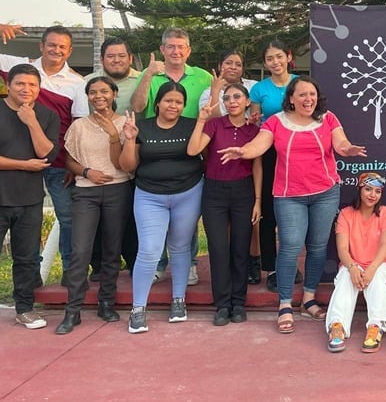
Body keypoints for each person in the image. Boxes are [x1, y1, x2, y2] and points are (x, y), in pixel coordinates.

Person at [218, 75, 366, 334]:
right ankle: (285, 304)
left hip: (325, 192)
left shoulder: (328, 118)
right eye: (302, 95)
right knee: (290, 247)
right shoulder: (276, 122)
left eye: (312, 94)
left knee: (318, 247)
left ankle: (308, 299)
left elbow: (340, 143)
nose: (308, 99)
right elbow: (258, 145)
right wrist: (243, 151)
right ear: (291, 99)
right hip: (289, 196)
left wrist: (347, 148)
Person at [0, 23, 87, 271]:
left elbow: (77, 127)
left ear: (69, 51)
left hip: (56, 162)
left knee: (69, 219)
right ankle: (30, 278)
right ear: (41, 46)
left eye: (62, 47)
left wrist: (74, 163)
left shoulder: (78, 83)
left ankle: (71, 275)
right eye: (51, 44)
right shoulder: (16, 66)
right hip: (14, 164)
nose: (56, 50)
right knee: (24, 225)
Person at [0, 64, 59, 343]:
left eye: (32, 85)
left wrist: (30, 121)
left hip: (29, 202)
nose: (26, 89)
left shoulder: (46, 116)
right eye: (20, 84)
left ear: (39, 89)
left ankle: (25, 309)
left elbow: (45, 153)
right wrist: (21, 165)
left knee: (26, 260)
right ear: (9, 85)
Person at [119, 81, 204, 333]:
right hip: (149, 195)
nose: (173, 106)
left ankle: (178, 300)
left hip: (188, 193)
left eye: (179, 102)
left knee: (180, 247)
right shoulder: (141, 127)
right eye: (168, 100)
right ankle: (138, 308)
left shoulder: (191, 125)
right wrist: (129, 140)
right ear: (158, 103)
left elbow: (204, 156)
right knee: (149, 250)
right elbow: (127, 165)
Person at [130, 27, 213, 285]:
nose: (176, 51)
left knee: (184, 219)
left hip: (190, 148)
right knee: (155, 217)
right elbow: (137, 107)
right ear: (163, 49)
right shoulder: (150, 74)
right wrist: (148, 75)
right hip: (155, 147)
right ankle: (159, 263)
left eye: (181, 47)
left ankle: (188, 263)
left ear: (188, 50)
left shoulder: (201, 77)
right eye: (171, 47)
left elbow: (213, 109)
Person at [57, 76, 133, 334]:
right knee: (80, 251)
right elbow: (69, 160)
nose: (98, 96)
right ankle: (72, 310)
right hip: (86, 192)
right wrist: (87, 172)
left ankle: (106, 303)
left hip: (118, 189)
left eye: (104, 91)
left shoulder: (126, 124)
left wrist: (114, 135)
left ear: (114, 94)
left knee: (112, 250)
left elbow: (123, 164)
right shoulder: (79, 126)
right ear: (87, 96)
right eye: (92, 92)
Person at [188, 82, 261, 326]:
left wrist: (258, 200)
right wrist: (201, 120)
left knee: (240, 248)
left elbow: (258, 166)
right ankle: (222, 304)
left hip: (244, 191)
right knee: (219, 249)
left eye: (237, 97)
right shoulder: (214, 125)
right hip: (214, 192)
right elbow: (193, 150)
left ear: (247, 101)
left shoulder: (254, 130)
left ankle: (238, 302)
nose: (232, 101)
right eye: (227, 97)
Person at [325, 172, 386, 353]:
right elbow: (342, 249)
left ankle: (376, 326)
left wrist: (371, 269)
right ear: (359, 190)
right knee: (344, 278)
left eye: (377, 191)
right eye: (368, 189)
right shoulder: (346, 213)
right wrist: (352, 268)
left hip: (383, 265)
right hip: (353, 264)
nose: (373, 195)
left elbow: (385, 245)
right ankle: (337, 326)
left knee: (377, 277)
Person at [248, 39, 297, 290]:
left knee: (294, 210)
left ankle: (291, 263)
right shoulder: (258, 89)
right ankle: (272, 267)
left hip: (297, 152)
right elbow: (255, 122)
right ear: (265, 63)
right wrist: (254, 120)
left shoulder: (300, 83)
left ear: (288, 56)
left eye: (279, 56)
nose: (275, 62)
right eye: (270, 59)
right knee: (268, 208)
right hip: (269, 152)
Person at [89, 37, 140, 278]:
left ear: (130, 58)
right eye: (111, 56)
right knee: (98, 218)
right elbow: (80, 120)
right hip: (96, 158)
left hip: (132, 153)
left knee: (131, 215)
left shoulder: (142, 79)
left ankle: (133, 263)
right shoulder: (89, 82)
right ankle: (99, 267)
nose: (116, 60)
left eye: (121, 55)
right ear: (102, 59)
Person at [198, 49, 258, 115]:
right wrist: (215, 92)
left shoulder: (254, 86)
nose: (233, 67)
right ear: (219, 66)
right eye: (228, 63)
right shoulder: (208, 92)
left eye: (238, 65)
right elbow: (210, 120)